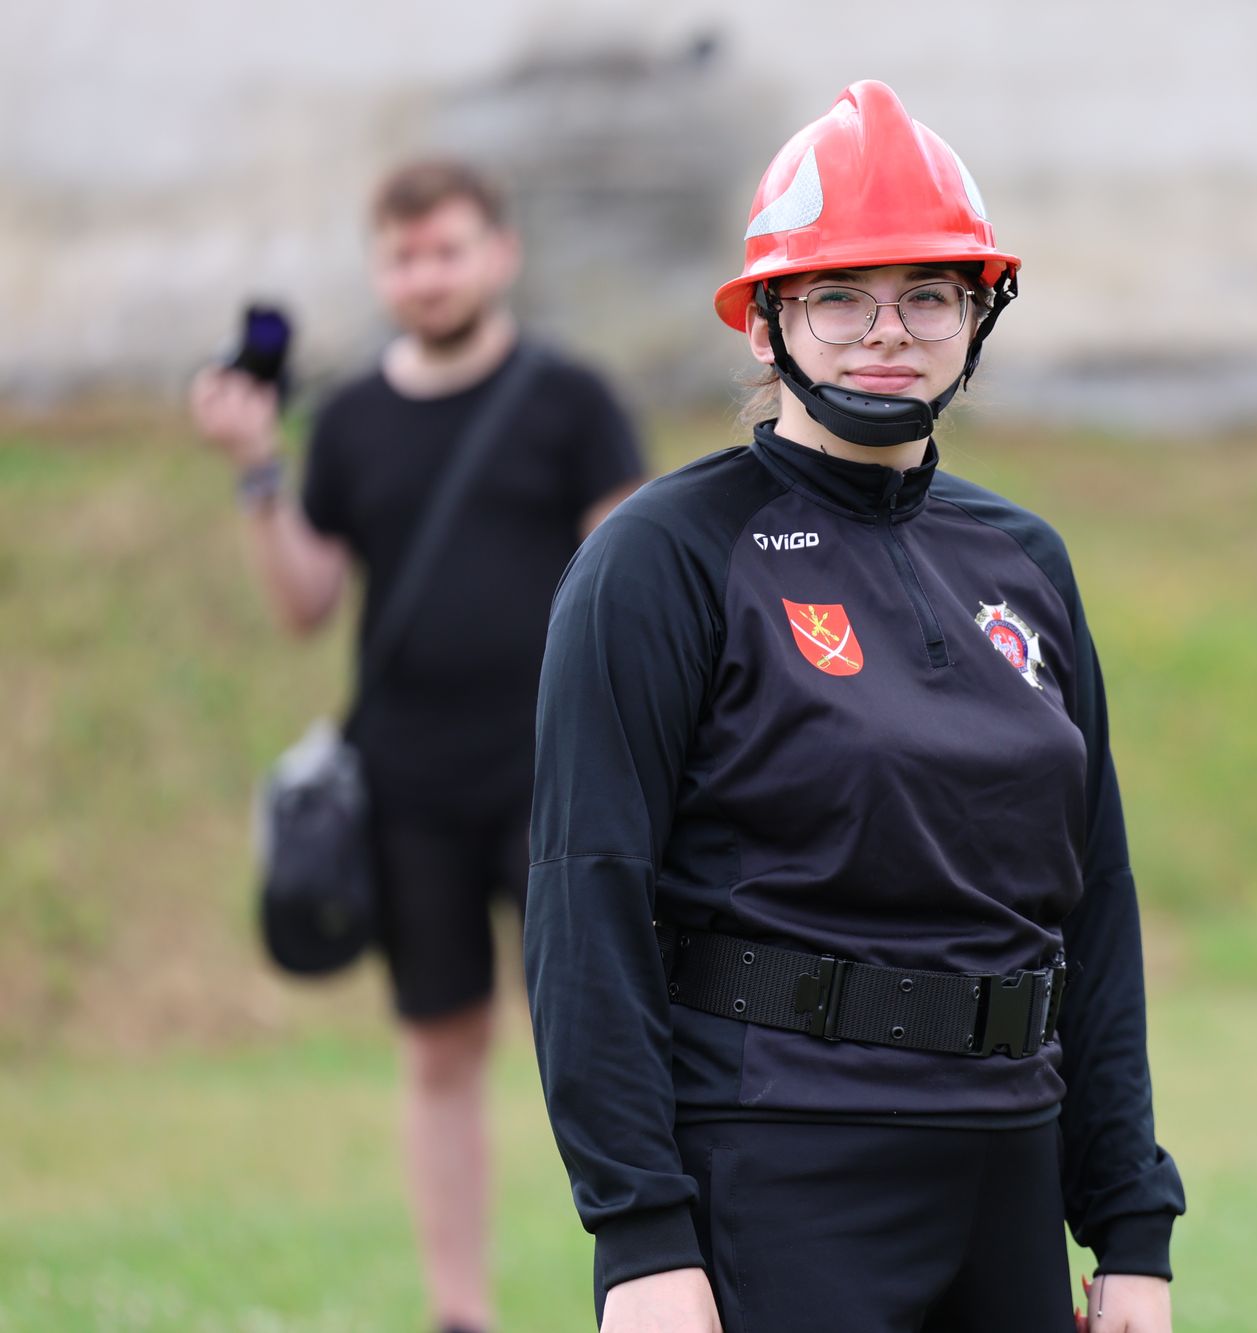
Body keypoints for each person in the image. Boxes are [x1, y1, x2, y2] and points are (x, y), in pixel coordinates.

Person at [526, 81, 1185, 1333]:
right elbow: (583, 896)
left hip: (1008, 1162)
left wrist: (1130, 1227)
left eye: (928, 294)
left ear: (977, 315)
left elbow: (1094, 902)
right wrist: (640, 1235)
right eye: (839, 295)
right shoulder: (662, 558)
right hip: (780, 1166)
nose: (888, 331)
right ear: (764, 322)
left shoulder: (1024, 560)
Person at [188, 158, 649, 1333]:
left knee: (605, 1040)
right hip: (408, 787)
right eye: (403, 257)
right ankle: (459, 1311)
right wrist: (255, 469)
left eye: (448, 250)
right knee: (439, 1048)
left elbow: (633, 589)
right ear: (378, 269)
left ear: (500, 254)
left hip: (559, 782)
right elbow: (303, 604)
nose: (427, 276)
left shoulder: (572, 401)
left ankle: (657, 1288)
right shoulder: (350, 419)